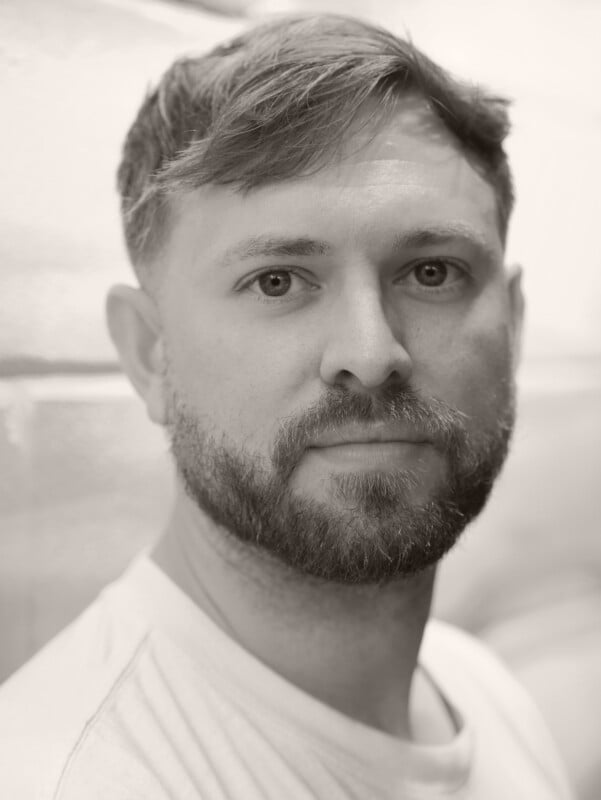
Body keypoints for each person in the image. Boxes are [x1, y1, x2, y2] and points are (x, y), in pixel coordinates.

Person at [0, 13, 573, 799]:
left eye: (431, 273)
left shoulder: (482, 691)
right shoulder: (72, 777)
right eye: (277, 281)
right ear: (148, 353)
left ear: (510, 327)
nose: (370, 355)